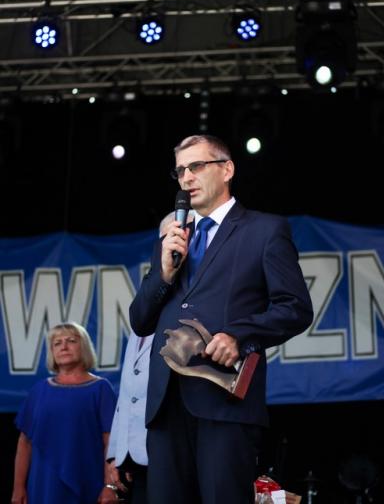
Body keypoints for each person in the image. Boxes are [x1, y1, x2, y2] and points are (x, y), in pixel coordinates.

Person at [130, 134, 314, 504]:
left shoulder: (264, 230)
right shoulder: (172, 238)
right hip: (167, 404)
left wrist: (240, 335)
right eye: (180, 171)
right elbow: (140, 321)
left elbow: (295, 306)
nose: (186, 178)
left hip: (224, 399)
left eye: (196, 166)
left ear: (227, 169)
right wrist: (164, 274)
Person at [106, 210, 194, 504]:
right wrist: (116, 453)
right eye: (168, 236)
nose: (176, 241)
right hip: (138, 454)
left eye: (184, 233)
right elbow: (128, 391)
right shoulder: (145, 307)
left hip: (182, 447)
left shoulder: (198, 297)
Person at [11, 322, 117, 504]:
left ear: (84, 347)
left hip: (88, 481)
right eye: (57, 343)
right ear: (51, 351)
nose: (64, 347)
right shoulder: (39, 390)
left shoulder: (101, 388)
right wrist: (18, 487)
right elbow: (24, 443)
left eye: (71, 341)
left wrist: (110, 486)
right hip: (43, 484)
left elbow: (111, 442)